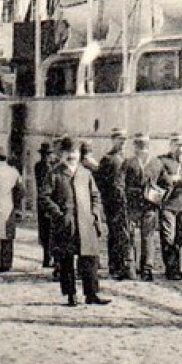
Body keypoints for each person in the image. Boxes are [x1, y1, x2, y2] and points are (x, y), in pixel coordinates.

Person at [40, 137, 111, 307]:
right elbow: (44, 197)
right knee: (66, 260)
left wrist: (94, 214)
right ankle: (71, 294)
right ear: (62, 154)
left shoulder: (85, 174)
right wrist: (58, 214)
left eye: (75, 152)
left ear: (79, 154)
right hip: (66, 223)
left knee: (90, 259)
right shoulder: (54, 174)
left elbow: (95, 196)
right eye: (68, 152)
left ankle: (91, 293)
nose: (72, 155)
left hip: (86, 223)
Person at [142, 135, 182, 280]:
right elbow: (150, 179)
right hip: (168, 206)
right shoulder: (161, 161)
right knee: (169, 237)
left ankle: (176, 267)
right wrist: (168, 182)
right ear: (171, 145)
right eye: (177, 145)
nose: (180, 148)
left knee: (179, 239)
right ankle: (170, 269)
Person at [95, 130, 132, 280]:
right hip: (112, 202)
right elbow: (99, 180)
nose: (122, 142)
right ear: (113, 140)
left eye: (124, 139)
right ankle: (115, 266)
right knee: (116, 234)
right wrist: (107, 197)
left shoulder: (125, 159)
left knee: (123, 234)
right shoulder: (107, 159)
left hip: (124, 202)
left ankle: (121, 265)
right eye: (119, 139)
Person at [120, 134, 152, 280]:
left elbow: (120, 184)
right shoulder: (154, 163)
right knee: (144, 237)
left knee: (134, 237)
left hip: (140, 206)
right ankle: (141, 269)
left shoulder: (130, 162)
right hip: (142, 206)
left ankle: (136, 269)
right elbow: (167, 183)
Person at [32, 143, 54, 268]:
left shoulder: (38, 165)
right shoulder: (47, 167)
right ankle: (48, 257)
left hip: (41, 201)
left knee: (45, 230)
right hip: (47, 201)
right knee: (48, 230)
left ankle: (47, 258)